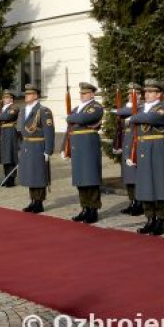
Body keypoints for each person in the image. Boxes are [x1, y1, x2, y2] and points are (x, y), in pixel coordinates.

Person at [127, 80, 164, 236]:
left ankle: (160, 220)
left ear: (159, 94)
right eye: (146, 92)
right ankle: (150, 218)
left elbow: (153, 118)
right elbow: (132, 132)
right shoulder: (140, 109)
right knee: (145, 184)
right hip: (142, 148)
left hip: (158, 147)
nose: (147, 94)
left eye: (151, 92)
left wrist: (134, 117)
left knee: (160, 184)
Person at [64, 82, 104, 224]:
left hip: (89, 145)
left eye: (85, 93)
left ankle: (93, 209)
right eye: (81, 93)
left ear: (92, 94)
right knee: (80, 178)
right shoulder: (77, 108)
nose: (82, 95)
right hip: (77, 145)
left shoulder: (96, 107)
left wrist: (70, 117)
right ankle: (85, 207)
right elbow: (69, 129)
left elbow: (82, 119)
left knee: (91, 177)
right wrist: (65, 147)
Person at [16, 84, 54, 213]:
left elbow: (49, 132)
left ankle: (39, 202)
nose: (26, 96)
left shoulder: (43, 111)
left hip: (38, 145)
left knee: (38, 174)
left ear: (35, 96)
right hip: (27, 145)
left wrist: (48, 150)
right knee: (30, 174)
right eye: (26, 94)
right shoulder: (23, 110)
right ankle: (33, 200)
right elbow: (20, 129)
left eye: (29, 94)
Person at [116, 83, 143, 216]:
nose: (130, 96)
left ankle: (140, 203)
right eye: (129, 94)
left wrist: (123, 109)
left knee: (137, 176)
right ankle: (132, 201)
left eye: (133, 94)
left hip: (136, 142)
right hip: (127, 141)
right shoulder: (127, 107)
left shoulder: (142, 107)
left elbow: (122, 112)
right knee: (128, 175)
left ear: (139, 95)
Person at [0, 90, 20, 187]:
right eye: (4, 98)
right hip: (4, 132)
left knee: (10, 155)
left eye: (6, 98)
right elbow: (0, 120)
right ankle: (6, 177)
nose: (4, 99)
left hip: (10, 131)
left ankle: (11, 179)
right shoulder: (3, 109)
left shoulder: (14, 107)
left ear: (11, 99)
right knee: (5, 156)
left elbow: (7, 116)